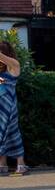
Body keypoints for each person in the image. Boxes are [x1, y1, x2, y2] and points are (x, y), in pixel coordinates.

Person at [0, 40, 27, 176]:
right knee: (1, 134)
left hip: (9, 106)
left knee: (12, 133)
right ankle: (2, 164)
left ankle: (21, 164)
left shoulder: (13, 65)